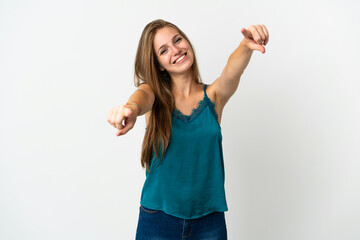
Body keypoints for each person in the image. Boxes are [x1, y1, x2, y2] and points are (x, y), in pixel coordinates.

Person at [107, 19, 269, 240]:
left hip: (209, 222)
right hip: (158, 219)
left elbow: (231, 72)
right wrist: (131, 108)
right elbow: (142, 96)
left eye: (178, 40)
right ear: (159, 65)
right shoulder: (154, 95)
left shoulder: (213, 97)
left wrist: (245, 46)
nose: (176, 50)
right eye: (164, 50)